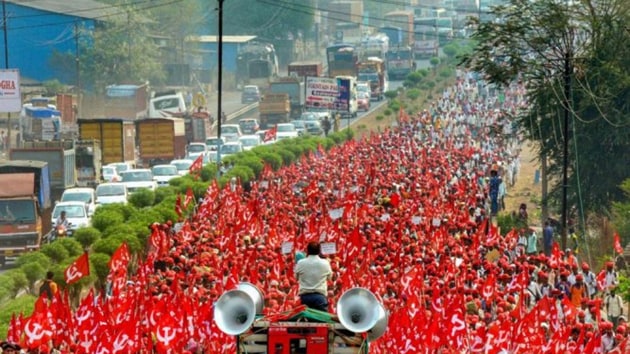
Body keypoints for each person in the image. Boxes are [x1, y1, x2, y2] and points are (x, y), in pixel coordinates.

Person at [295, 241, 332, 312]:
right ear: (319, 251)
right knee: (322, 321)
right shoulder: (325, 263)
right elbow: (329, 278)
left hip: (304, 298)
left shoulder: (300, 263)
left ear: (307, 251)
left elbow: (296, 278)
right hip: (320, 298)